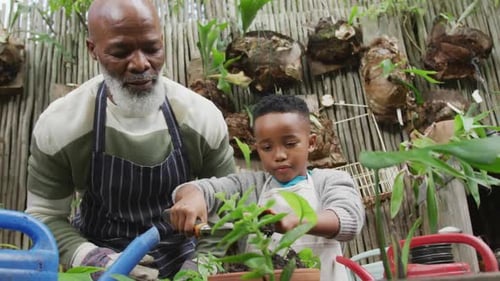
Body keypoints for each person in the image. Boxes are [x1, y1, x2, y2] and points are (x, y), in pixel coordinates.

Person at [25, 0, 235, 280]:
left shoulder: (200, 118)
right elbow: (43, 217)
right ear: (93, 50)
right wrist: (93, 258)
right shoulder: (61, 126)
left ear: (162, 41)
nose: (140, 64)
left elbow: (229, 208)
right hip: (100, 264)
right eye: (120, 52)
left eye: (151, 48)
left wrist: (198, 270)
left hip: (186, 257)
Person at [169, 95, 365, 280]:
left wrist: (292, 221)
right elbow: (203, 189)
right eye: (267, 147)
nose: (279, 155)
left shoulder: (330, 180)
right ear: (257, 148)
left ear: (311, 143)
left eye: (290, 143)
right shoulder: (248, 185)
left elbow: (348, 219)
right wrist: (192, 197)